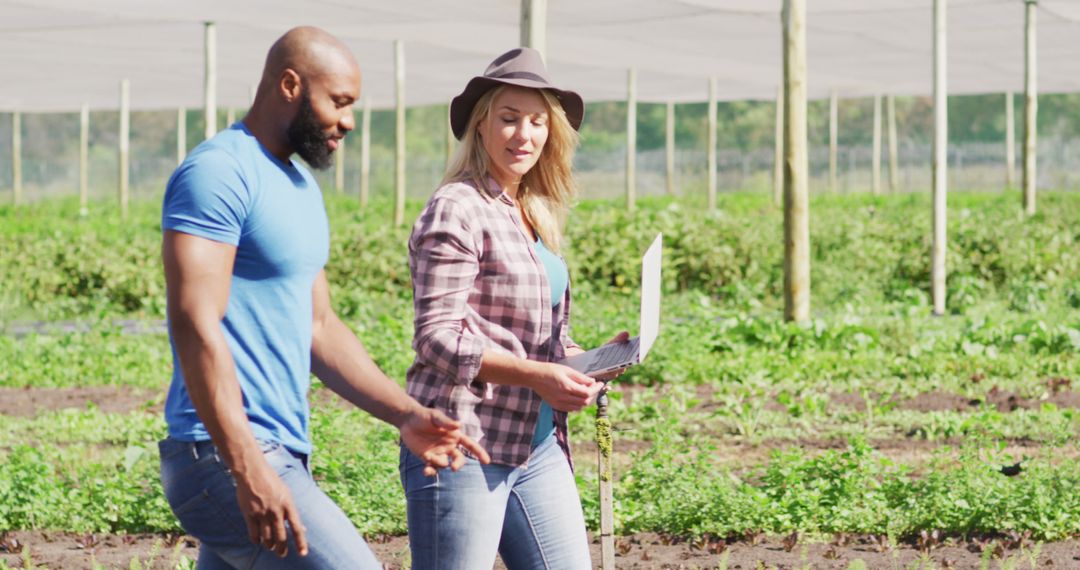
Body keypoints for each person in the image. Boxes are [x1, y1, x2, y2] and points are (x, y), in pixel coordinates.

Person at [158, 26, 489, 569]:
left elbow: (320, 327)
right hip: (224, 453)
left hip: (277, 451)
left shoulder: (298, 186)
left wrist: (405, 414)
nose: (349, 121)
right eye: (338, 102)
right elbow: (196, 323)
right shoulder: (219, 172)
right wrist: (248, 467)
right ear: (290, 84)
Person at [401, 47, 628, 570]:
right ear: (481, 126)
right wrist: (536, 375)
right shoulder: (456, 208)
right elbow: (437, 336)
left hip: (537, 443)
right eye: (508, 119)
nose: (522, 135)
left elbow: (539, 335)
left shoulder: (531, 211)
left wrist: (582, 361)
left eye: (536, 122)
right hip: (464, 442)